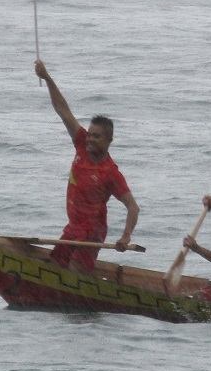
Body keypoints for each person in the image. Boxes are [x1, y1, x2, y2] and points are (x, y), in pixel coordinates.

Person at [35, 60, 139, 273]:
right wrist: (47, 78)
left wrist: (126, 236)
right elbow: (63, 110)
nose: (90, 139)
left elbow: (133, 207)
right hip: (73, 228)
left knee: (75, 270)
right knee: (56, 265)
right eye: (90, 134)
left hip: (92, 232)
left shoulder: (111, 173)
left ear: (109, 139)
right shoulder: (81, 144)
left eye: (96, 136)